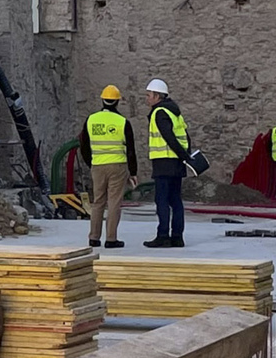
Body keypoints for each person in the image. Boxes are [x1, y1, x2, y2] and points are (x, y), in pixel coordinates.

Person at [78, 85, 136, 249]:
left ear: (103, 100)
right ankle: (111, 239)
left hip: (97, 165)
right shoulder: (123, 122)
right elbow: (131, 150)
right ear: (117, 102)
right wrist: (133, 172)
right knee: (114, 203)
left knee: (98, 202)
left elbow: (84, 146)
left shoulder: (91, 120)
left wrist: (92, 163)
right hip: (117, 166)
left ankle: (94, 238)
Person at [143, 78, 193, 249]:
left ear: (157, 96)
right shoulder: (175, 112)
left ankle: (163, 235)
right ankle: (177, 237)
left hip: (164, 162)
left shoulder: (159, 113)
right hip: (177, 163)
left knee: (162, 200)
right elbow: (185, 136)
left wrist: (182, 155)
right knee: (176, 200)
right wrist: (185, 156)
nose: (147, 99)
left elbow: (169, 137)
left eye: (149, 95)